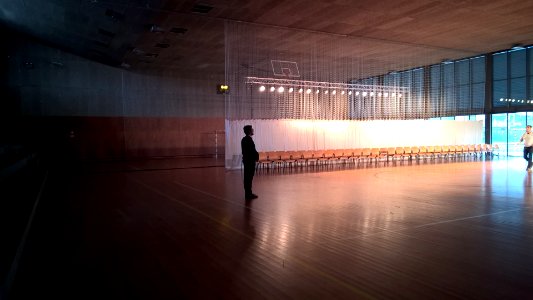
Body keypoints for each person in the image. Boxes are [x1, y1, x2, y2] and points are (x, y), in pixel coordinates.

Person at [241, 125, 259, 200]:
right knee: (248, 178)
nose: (253, 130)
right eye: (252, 129)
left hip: (247, 161)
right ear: (249, 131)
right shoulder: (248, 139)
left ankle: (248, 193)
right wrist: (256, 156)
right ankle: (248, 194)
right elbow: (252, 151)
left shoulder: (244, 139)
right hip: (249, 161)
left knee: (247, 178)